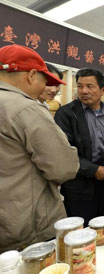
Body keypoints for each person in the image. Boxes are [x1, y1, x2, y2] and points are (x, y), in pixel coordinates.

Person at [0, 45, 79, 252]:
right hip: (27, 226)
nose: (47, 88)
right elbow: (64, 168)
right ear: (32, 75)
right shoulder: (26, 108)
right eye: (45, 81)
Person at [54, 68, 104, 225]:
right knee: (83, 229)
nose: (83, 91)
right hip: (80, 183)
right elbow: (64, 152)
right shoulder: (66, 114)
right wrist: (93, 170)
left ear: (103, 90)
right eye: (80, 86)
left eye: (90, 86)